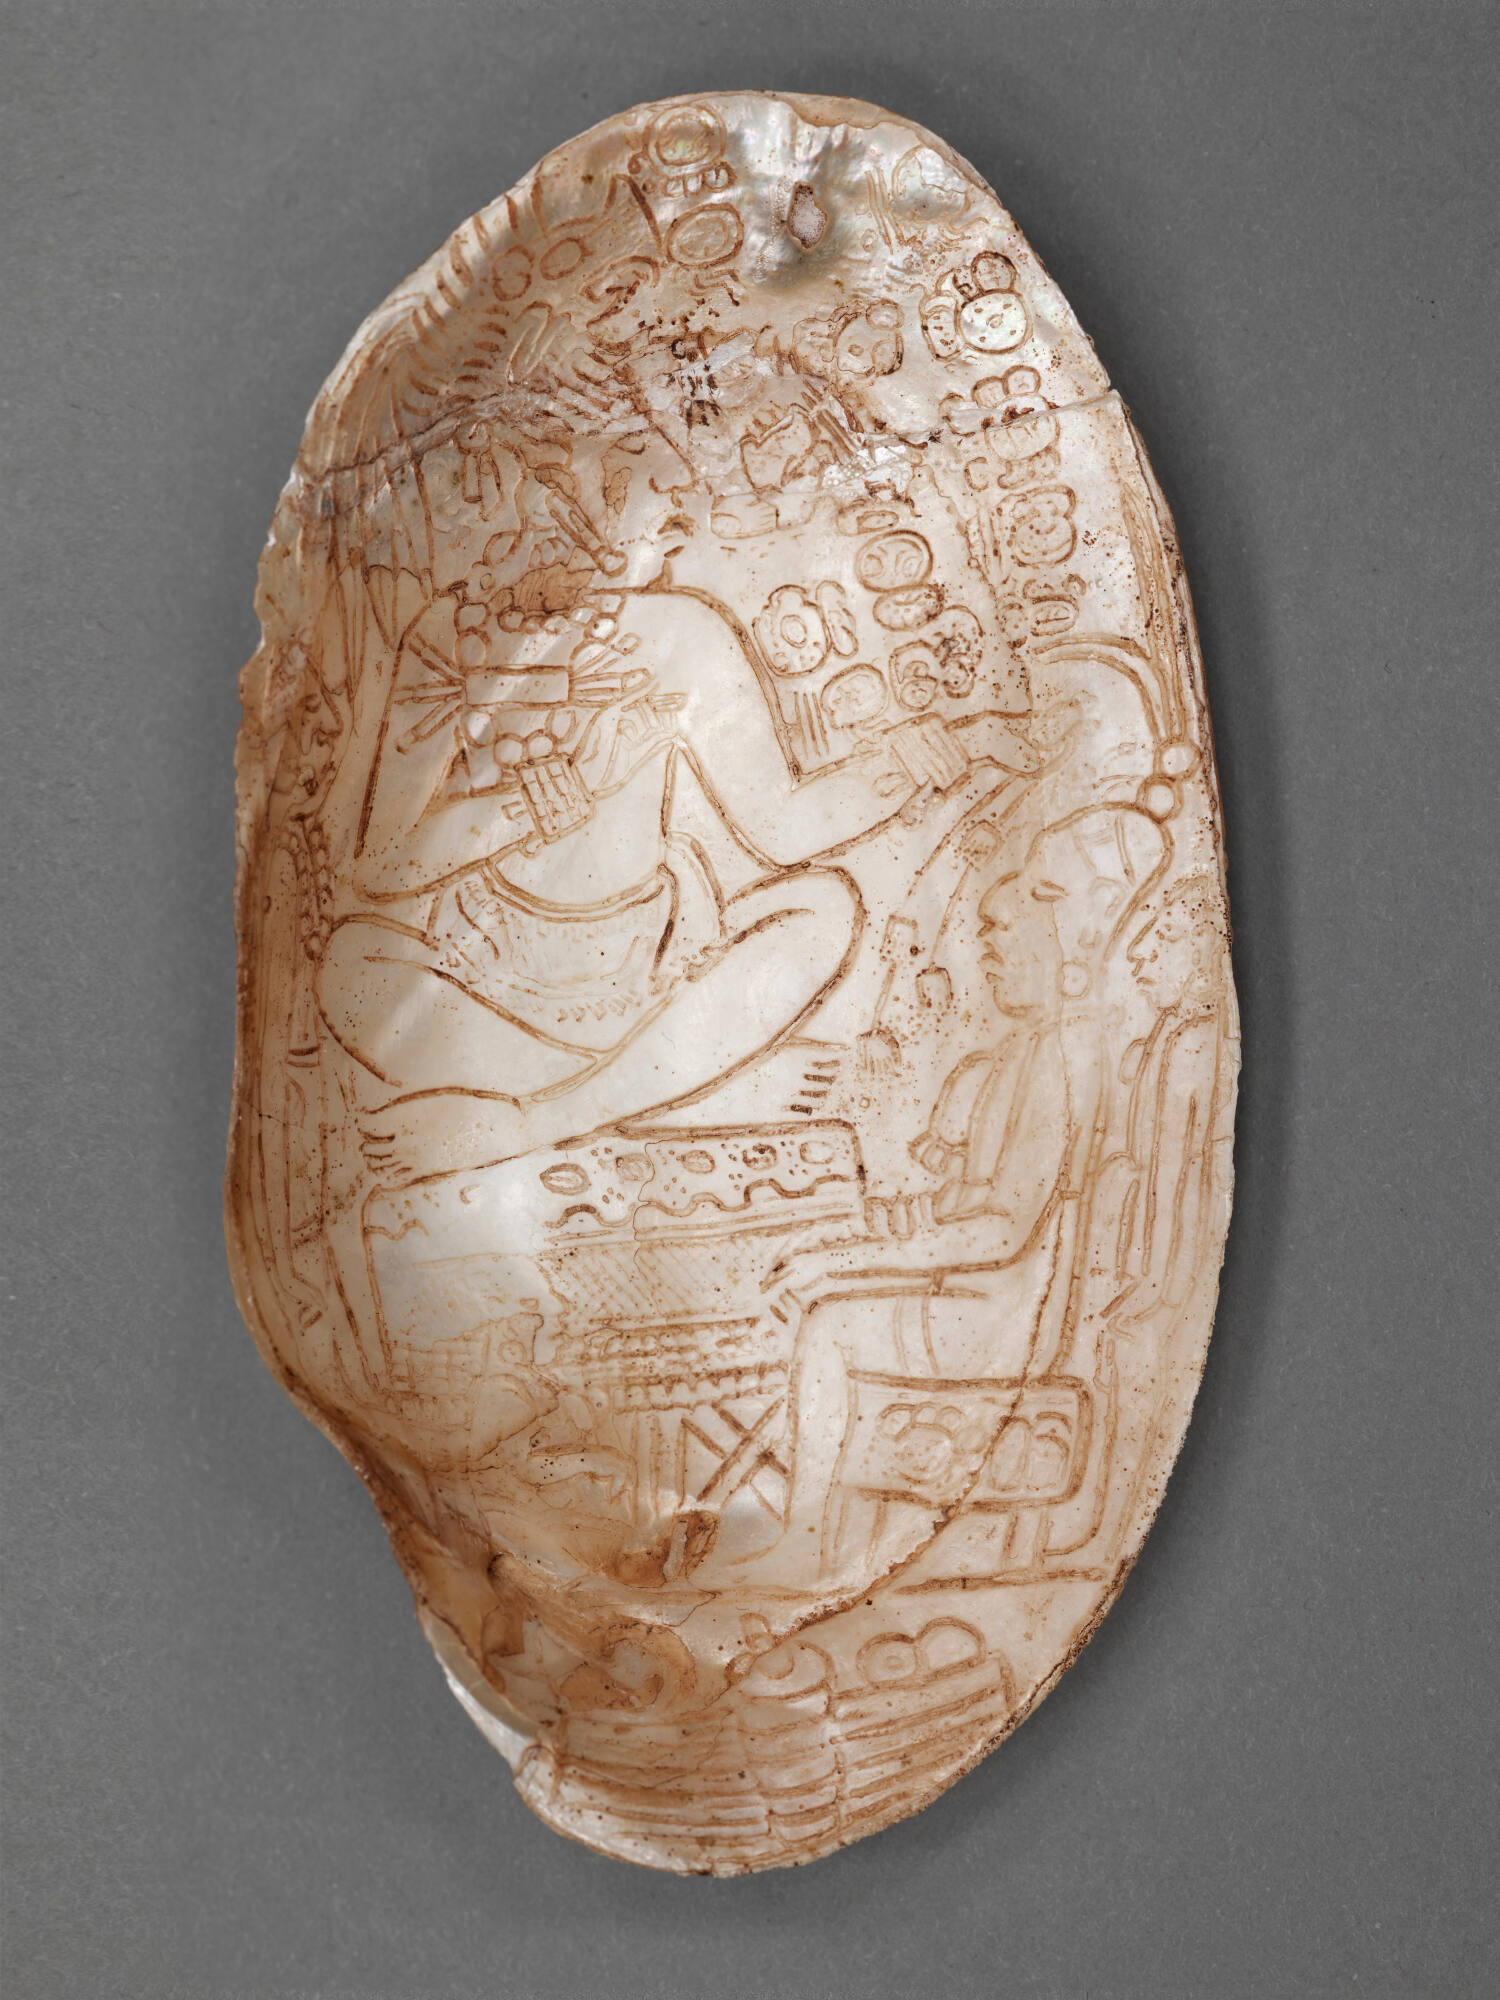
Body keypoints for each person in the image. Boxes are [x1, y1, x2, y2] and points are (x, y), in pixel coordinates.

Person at [315, 555, 1035, 1188]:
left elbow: (783, 828)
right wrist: (536, 803)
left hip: (656, 972)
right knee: (348, 969)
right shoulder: (449, 634)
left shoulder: (678, 626)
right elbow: (381, 870)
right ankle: (687, 1087)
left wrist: (929, 753)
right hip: (495, 976)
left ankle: (533, 1118)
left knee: (824, 912)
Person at [706, 804, 1168, 1595]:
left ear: (1071, 935)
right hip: (975, 1285)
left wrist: (844, 1266)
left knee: (829, 1326)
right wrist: (876, 1232)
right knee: (812, 1297)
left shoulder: (1063, 1055)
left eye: (1013, 927)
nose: (988, 947)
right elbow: (960, 1203)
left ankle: (804, 1541)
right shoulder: (1026, 1053)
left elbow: (1000, 1231)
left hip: (1001, 1313)